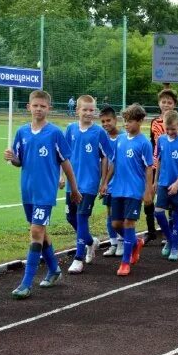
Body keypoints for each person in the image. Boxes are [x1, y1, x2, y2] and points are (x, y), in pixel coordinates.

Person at [4, 89, 81, 299]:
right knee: (40, 231)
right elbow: (19, 161)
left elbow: (66, 162)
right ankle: (54, 269)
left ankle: (26, 283)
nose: (38, 109)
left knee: (36, 232)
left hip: (45, 193)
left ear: (49, 108)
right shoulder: (22, 132)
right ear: (28, 107)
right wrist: (12, 158)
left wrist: (74, 189)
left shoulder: (54, 133)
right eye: (35, 105)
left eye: (43, 106)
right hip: (28, 191)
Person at [63, 95, 113, 274]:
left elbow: (106, 156)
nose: (88, 113)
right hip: (72, 183)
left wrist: (103, 181)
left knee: (82, 217)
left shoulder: (99, 132)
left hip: (90, 183)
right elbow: (63, 156)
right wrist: (62, 177)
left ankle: (78, 258)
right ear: (77, 111)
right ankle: (90, 242)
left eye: (92, 110)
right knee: (71, 218)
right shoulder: (70, 130)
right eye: (85, 109)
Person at [104, 104, 153, 276]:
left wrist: (148, 190)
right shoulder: (120, 139)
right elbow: (113, 163)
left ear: (140, 121)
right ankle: (135, 242)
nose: (126, 124)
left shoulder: (144, 143)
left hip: (134, 190)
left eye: (130, 121)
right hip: (117, 189)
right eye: (125, 121)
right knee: (115, 223)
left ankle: (125, 263)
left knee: (128, 223)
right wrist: (105, 183)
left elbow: (148, 168)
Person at [146, 89, 178, 244]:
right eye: (163, 102)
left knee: (171, 200)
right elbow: (152, 142)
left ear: (174, 104)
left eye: (169, 102)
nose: (166, 105)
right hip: (157, 164)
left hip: (173, 165)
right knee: (151, 196)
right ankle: (151, 231)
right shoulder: (154, 122)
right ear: (159, 103)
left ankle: (169, 233)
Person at [153, 110, 178, 261]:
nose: (170, 132)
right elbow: (160, 161)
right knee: (158, 212)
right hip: (163, 183)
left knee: (176, 215)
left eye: (173, 129)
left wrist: (177, 183)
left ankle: (175, 247)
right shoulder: (161, 140)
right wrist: (156, 181)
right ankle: (170, 239)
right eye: (167, 129)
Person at [99, 105, 123, 257]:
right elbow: (103, 160)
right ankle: (113, 243)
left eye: (108, 120)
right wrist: (102, 182)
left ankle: (122, 242)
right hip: (107, 182)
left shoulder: (123, 137)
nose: (106, 124)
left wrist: (105, 181)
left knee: (117, 214)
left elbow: (115, 162)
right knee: (108, 212)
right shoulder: (103, 138)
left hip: (120, 182)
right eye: (103, 122)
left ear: (115, 120)